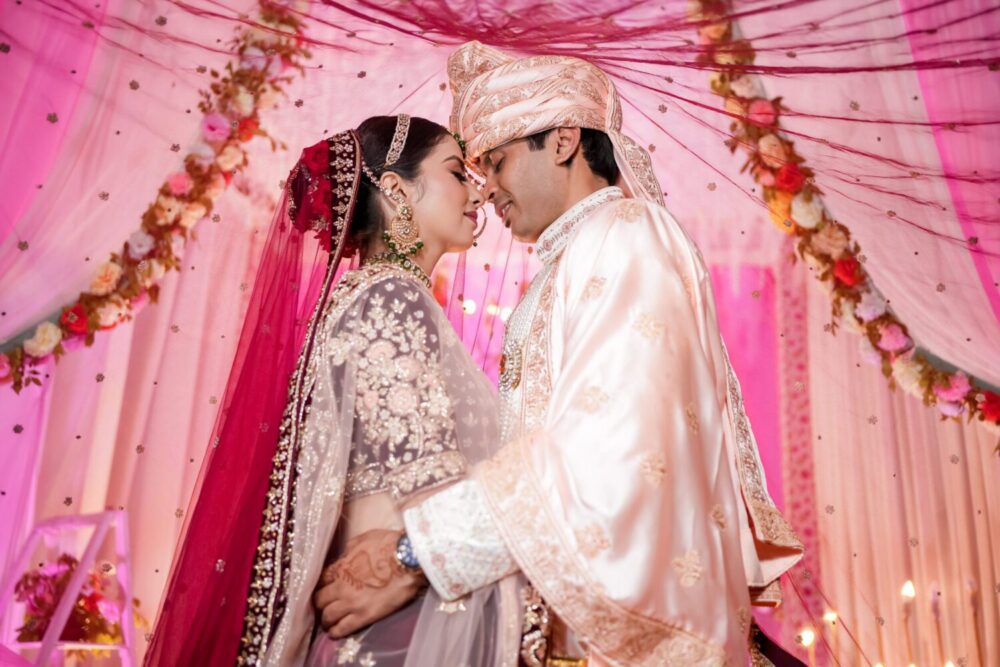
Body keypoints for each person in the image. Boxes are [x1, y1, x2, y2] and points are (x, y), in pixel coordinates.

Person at [314, 42, 805, 666]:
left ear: (565, 141)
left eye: (496, 161)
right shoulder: (573, 258)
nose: (485, 190)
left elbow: (611, 448)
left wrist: (417, 554)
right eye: (472, 170)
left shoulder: (627, 233)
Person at [144, 114, 524, 666]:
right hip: (403, 617)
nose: (479, 193)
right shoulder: (392, 298)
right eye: (456, 172)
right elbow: (432, 489)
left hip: (387, 615)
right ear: (395, 189)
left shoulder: (368, 296)